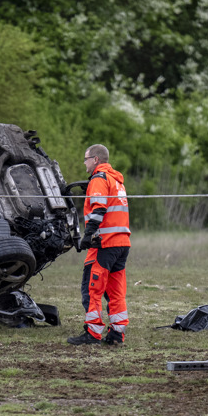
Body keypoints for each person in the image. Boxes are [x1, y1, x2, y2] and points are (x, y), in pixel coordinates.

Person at [67, 144, 131, 346]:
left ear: (95, 159)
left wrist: (88, 235)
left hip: (105, 244)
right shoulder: (116, 180)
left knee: (92, 287)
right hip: (122, 243)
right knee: (116, 291)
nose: (84, 163)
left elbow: (98, 209)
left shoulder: (99, 178)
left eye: (86, 159)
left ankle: (93, 332)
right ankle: (116, 333)